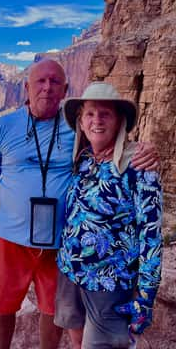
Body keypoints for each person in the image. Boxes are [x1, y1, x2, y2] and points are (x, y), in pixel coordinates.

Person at [0, 59, 158, 349]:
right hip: (9, 236)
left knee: (53, 310)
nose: (47, 87)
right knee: (2, 305)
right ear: (26, 88)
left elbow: (113, 145)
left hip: (58, 243)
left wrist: (146, 148)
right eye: (40, 81)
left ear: (65, 89)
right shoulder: (5, 126)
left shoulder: (76, 130)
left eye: (55, 82)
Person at [55, 82, 162, 349]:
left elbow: (151, 237)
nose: (97, 121)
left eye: (105, 114)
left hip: (110, 284)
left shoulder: (138, 166)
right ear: (80, 121)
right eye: (90, 114)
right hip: (70, 273)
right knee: (77, 337)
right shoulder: (84, 159)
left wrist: (146, 297)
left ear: (119, 122)